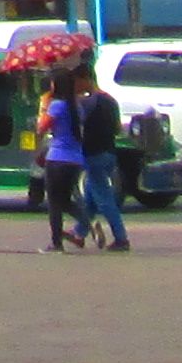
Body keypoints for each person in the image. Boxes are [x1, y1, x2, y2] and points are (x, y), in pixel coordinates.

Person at [75, 76, 131, 250]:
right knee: (91, 199)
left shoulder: (86, 103)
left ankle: (121, 238)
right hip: (109, 152)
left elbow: (78, 126)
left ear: (86, 80)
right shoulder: (110, 100)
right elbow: (117, 129)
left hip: (93, 154)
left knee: (105, 200)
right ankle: (79, 233)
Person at [36, 71, 87, 250]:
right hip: (75, 159)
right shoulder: (77, 107)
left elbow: (41, 128)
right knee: (65, 200)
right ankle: (86, 220)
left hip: (57, 158)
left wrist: (43, 107)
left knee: (54, 203)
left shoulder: (56, 105)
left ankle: (56, 243)